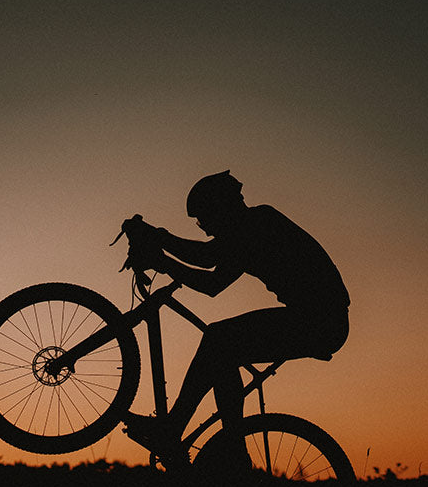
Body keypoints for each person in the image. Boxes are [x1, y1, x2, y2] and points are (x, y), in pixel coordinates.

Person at [121, 171, 350, 467]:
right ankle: (227, 445)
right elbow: (211, 271)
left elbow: (208, 264)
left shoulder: (258, 223)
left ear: (221, 207)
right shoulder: (249, 230)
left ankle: (186, 432)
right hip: (319, 319)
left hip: (319, 321)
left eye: (204, 219)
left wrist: (160, 246)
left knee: (220, 339)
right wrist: (162, 252)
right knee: (222, 349)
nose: (204, 228)